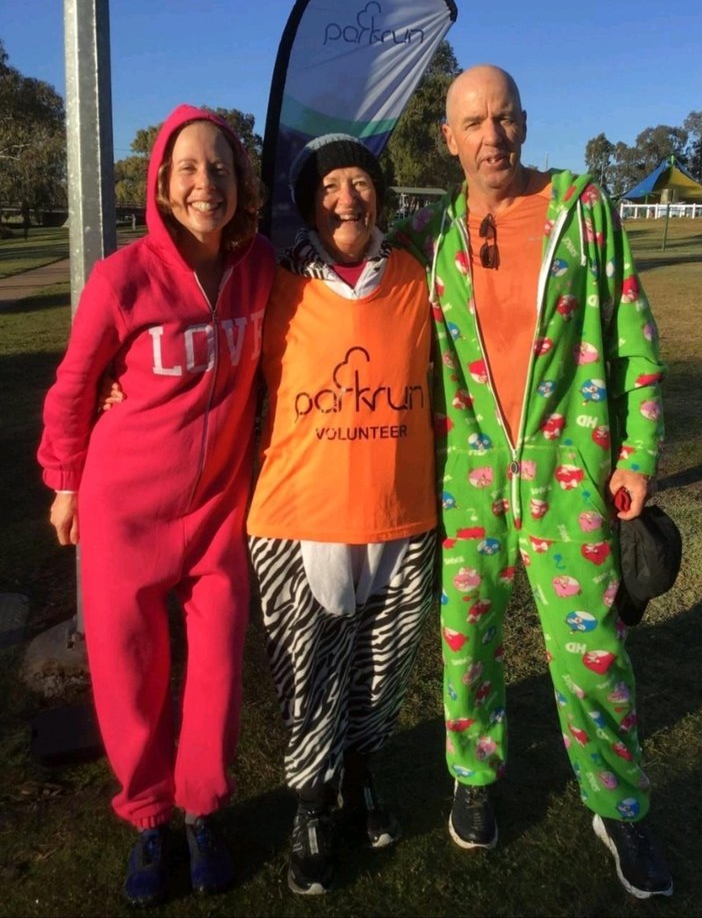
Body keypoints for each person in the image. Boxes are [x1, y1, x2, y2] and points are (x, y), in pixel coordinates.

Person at [393, 65, 673, 899]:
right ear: (449, 139)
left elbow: (635, 340)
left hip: (570, 477)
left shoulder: (582, 212)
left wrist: (638, 453)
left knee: (592, 654)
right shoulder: (436, 240)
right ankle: (473, 777)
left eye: (505, 118)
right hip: (471, 482)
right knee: (465, 644)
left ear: (524, 121)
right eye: (473, 123)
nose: (492, 138)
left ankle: (617, 804)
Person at [37, 105, 275, 906]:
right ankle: (148, 820)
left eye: (221, 167)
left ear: (243, 184)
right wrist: (65, 479)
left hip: (216, 513)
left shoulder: (261, 270)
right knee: (129, 673)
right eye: (188, 170)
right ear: (163, 188)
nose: (205, 182)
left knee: (215, 670)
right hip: (123, 512)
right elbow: (75, 385)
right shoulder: (123, 277)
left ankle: (203, 810)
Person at [246, 134, 437, 895]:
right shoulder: (272, 287)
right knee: (308, 676)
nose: (347, 198)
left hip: (401, 511)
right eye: (330, 188)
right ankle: (310, 804)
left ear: (381, 195)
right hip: (301, 515)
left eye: (360, 182)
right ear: (307, 205)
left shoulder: (418, 279)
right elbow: (210, 360)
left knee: (381, 672)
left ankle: (359, 777)